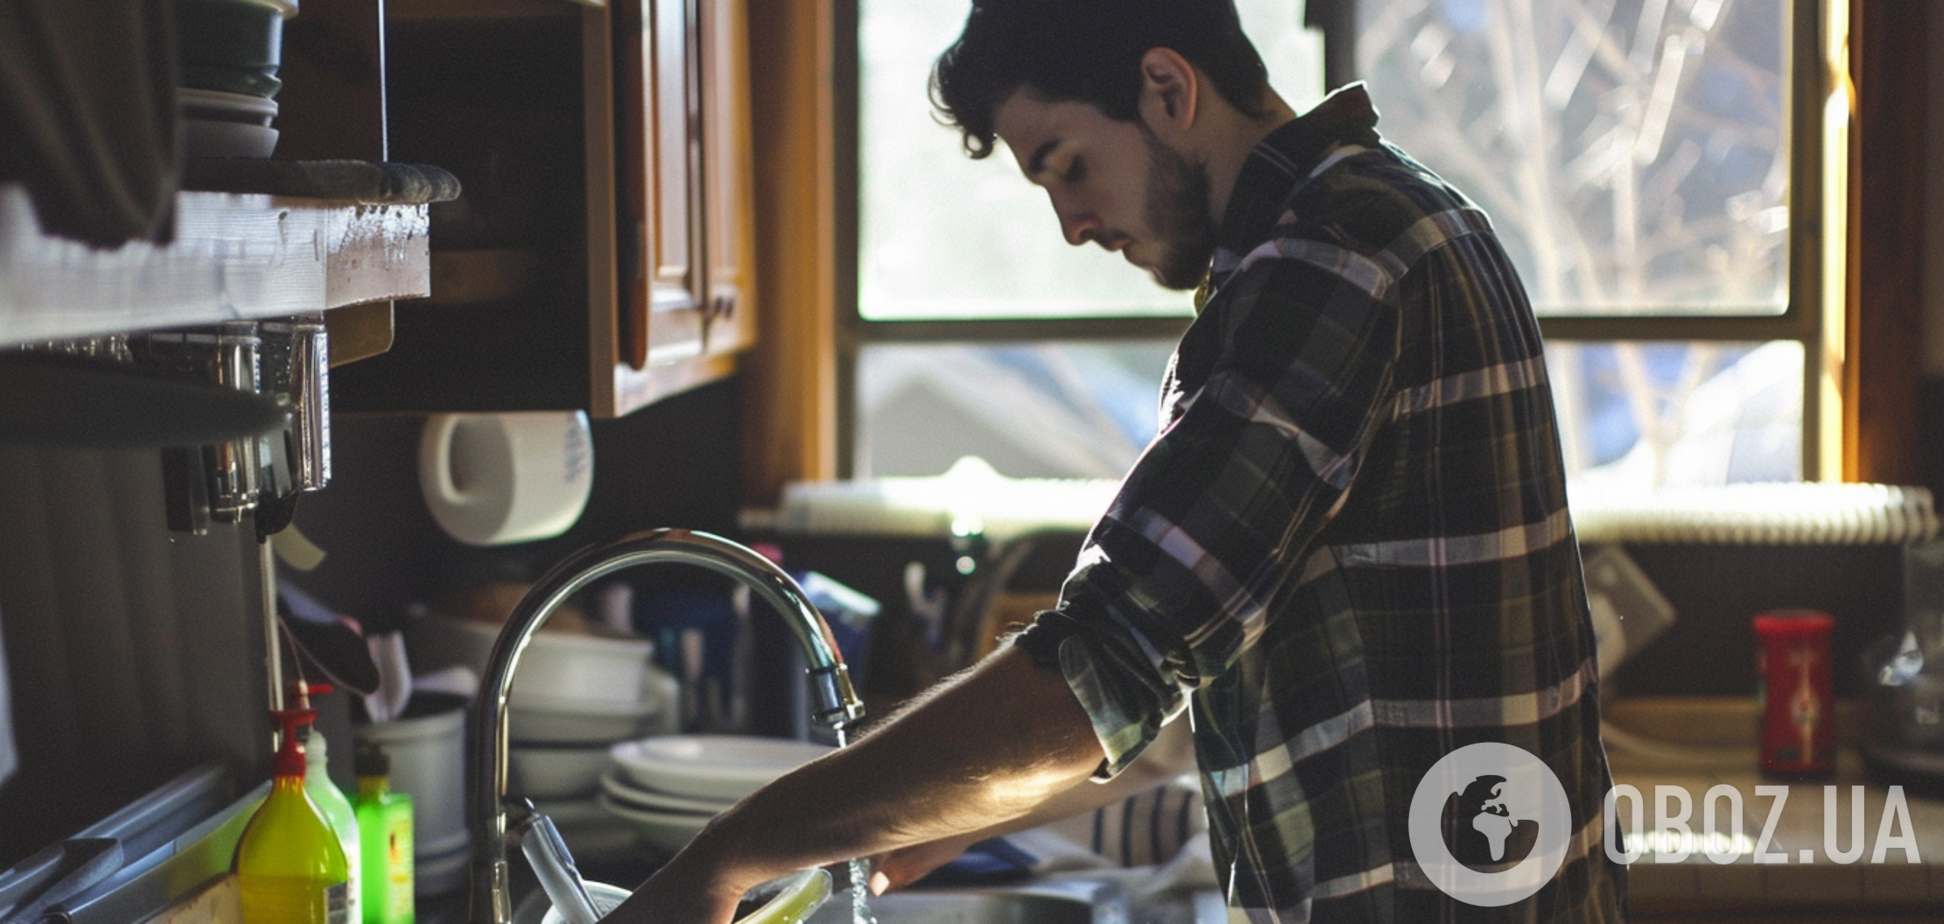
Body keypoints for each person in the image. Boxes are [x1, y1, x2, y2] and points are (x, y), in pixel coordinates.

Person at [607, 0, 1625, 920]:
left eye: (1067, 165)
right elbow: (1227, 666)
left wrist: (730, 853)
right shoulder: (1412, 216)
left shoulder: (1326, 265)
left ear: (1169, 88)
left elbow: (1106, 666)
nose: (1074, 225)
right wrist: (944, 813)